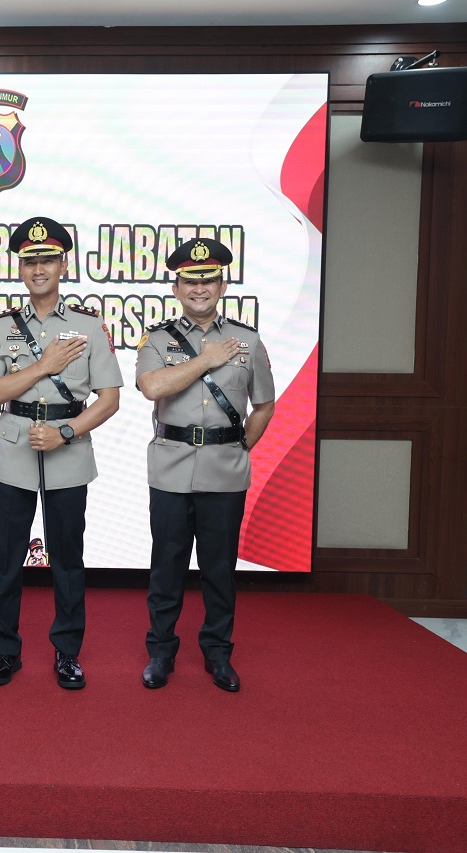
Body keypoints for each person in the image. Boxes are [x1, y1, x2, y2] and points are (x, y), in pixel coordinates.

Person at [0, 217, 122, 689]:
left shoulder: (87, 326)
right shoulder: (1, 328)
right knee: (8, 558)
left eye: (48, 260)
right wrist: (44, 365)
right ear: (21, 267)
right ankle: (5, 651)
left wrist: (67, 432)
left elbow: (110, 398)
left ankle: (67, 652)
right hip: (16, 446)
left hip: (67, 448)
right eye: (30, 261)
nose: (39, 268)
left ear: (63, 264)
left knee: (67, 558)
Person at [136, 237, 275, 692]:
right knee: (167, 566)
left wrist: (240, 448)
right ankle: (160, 652)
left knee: (219, 569)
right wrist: (206, 360)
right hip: (171, 468)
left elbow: (264, 406)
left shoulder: (248, 341)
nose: (200, 289)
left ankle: (218, 654)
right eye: (190, 282)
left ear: (223, 284)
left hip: (224, 470)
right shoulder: (157, 339)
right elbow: (152, 387)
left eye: (209, 280)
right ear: (176, 287)